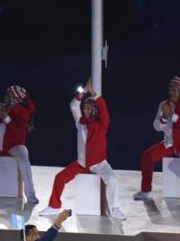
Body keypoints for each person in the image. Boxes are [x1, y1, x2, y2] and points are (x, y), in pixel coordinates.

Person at [40, 78, 124, 219]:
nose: (85, 110)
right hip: (81, 163)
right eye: (84, 108)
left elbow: (104, 110)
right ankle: (53, 206)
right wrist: (83, 92)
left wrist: (94, 95)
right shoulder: (80, 122)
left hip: (99, 164)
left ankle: (116, 209)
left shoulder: (102, 124)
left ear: (94, 109)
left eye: (88, 108)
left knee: (113, 180)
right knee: (59, 178)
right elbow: (73, 105)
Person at [134, 76, 180, 200]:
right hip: (170, 143)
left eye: (174, 90)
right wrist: (164, 118)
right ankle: (146, 192)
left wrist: (173, 116)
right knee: (147, 156)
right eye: (170, 89)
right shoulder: (164, 104)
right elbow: (156, 126)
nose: (171, 93)